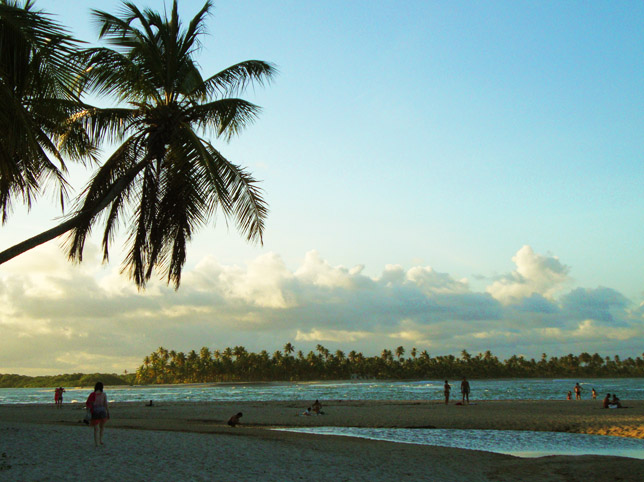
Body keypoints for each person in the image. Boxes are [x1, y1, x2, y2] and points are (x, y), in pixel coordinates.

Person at [86, 382, 109, 447]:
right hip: (102, 410)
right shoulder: (103, 394)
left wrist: (89, 410)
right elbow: (105, 404)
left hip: (95, 411)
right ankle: (100, 440)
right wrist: (108, 412)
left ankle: (96, 443)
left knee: (96, 428)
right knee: (102, 427)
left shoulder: (93, 394)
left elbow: (89, 403)